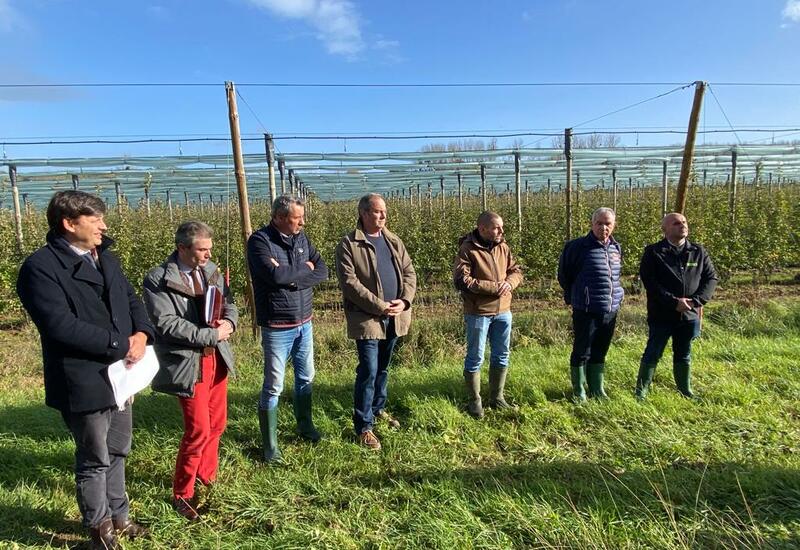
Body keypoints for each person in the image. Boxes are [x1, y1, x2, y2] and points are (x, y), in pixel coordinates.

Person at [16, 190, 154, 550]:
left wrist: (141, 334)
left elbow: (129, 299)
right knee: (95, 457)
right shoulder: (41, 268)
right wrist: (120, 344)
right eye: (96, 220)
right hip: (84, 377)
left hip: (122, 373)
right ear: (69, 223)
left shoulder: (106, 258)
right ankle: (99, 530)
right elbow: (60, 325)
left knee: (119, 448)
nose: (103, 226)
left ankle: (120, 516)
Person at [142, 221, 237, 521]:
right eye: (202, 249)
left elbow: (229, 303)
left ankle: (206, 477)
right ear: (182, 248)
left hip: (215, 358)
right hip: (188, 361)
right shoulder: (158, 279)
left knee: (217, 424)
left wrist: (229, 324)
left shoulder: (211, 271)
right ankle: (183, 493)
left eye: (210, 248)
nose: (209, 254)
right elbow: (166, 323)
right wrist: (210, 335)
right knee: (197, 429)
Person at [248, 194, 328, 463]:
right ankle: (270, 445)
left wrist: (294, 277)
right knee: (274, 385)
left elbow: (322, 270)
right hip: (277, 325)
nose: (302, 223)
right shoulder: (260, 241)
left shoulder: (301, 239)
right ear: (280, 218)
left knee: (306, 377)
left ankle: (305, 426)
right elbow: (275, 276)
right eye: (297, 218)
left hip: (305, 322)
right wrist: (302, 271)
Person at [335, 193, 416, 450]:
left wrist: (404, 301)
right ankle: (363, 426)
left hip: (395, 315)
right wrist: (380, 306)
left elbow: (409, 272)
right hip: (368, 317)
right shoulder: (349, 244)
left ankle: (378, 409)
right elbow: (350, 283)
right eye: (377, 212)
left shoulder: (393, 240)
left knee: (383, 367)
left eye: (384, 212)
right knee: (368, 369)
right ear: (363, 213)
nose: (383, 216)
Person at [635, 212, 718, 399]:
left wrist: (695, 302)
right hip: (662, 313)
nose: (682, 225)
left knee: (684, 352)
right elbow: (650, 282)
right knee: (653, 351)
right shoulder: (654, 252)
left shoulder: (698, 251)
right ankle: (641, 391)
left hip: (689, 314)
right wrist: (673, 302)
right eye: (676, 223)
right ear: (665, 229)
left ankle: (685, 390)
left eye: (684, 222)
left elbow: (711, 278)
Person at [454, 211, 523, 418]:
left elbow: (516, 270)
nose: (501, 231)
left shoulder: (503, 246)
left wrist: (509, 284)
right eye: (496, 227)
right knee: (475, 357)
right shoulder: (467, 249)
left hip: (503, 311)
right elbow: (461, 280)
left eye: (501, 227)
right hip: (478, 313)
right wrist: (494, 288)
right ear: (482, 229)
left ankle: (497, 397)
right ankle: (475, 401)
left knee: (502, 354)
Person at [557, 207, 624, 401]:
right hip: (586, 308)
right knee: (582, 350)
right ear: (592, 224)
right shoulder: (577, 247)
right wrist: (576, 297)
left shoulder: (615, 247)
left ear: (613, 225)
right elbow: (564, 275)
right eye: (599, 223)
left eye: (608, 223)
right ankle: (579, 390)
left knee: (601, 349)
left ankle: (597, 388)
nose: (604, 227)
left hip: (610, 309)